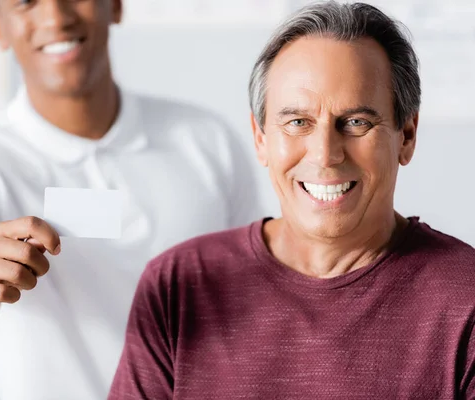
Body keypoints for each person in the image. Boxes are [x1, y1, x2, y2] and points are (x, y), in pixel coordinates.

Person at [109, 2, 475, 399]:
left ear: (406, 134)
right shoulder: (177, 285)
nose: (325, 153)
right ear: (261, 137)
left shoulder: (466, 301)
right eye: (298, 122)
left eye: (356, 122)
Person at [0, 0, 263, 399]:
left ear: (114, 5)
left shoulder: (208, 141)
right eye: (26, 2)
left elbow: (256, 296)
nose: (56, 17)